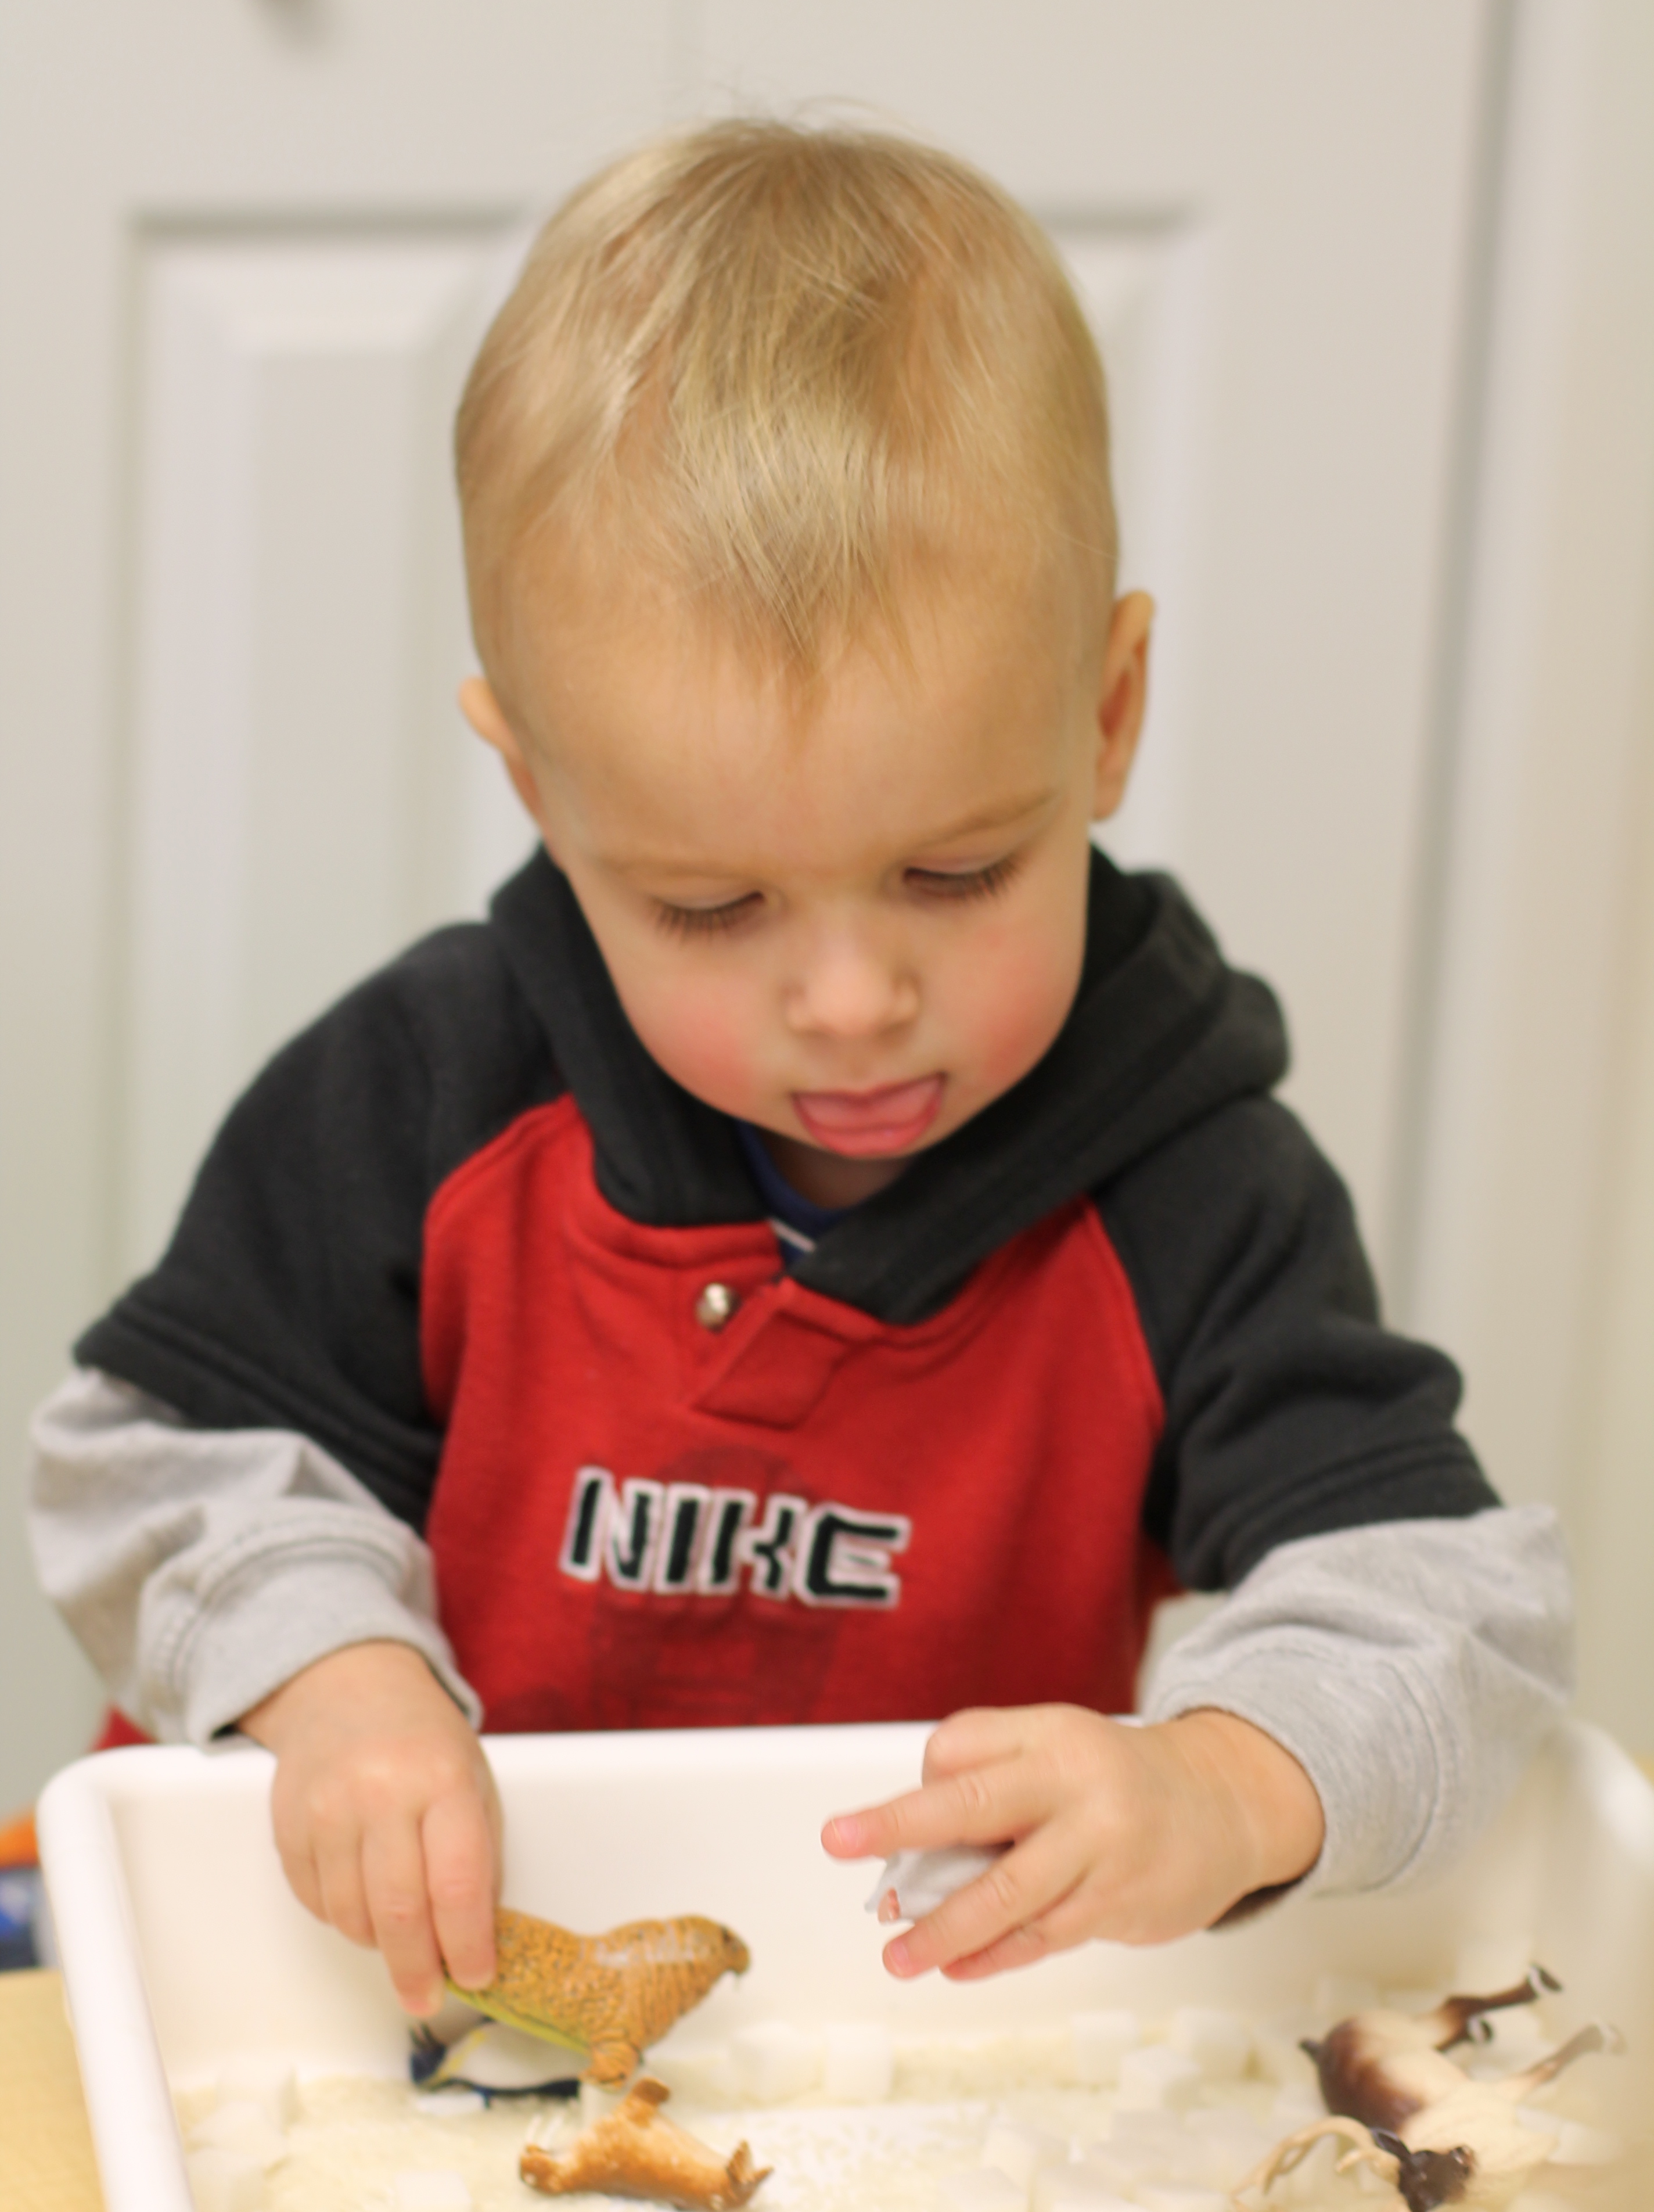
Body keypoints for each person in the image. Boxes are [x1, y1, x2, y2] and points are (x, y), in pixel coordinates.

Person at [30, 120, 1569, 2024]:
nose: (850, 1002)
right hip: (353, 2009)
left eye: (956, 874)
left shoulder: (1193, 1191)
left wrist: (1228, 1781)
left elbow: (1453, 1604)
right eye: (711, 905)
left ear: (1106, 715)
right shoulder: (425, 1096)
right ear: (536, 790)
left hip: (901, 2062)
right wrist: (330, 1677)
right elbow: (145, 1458)